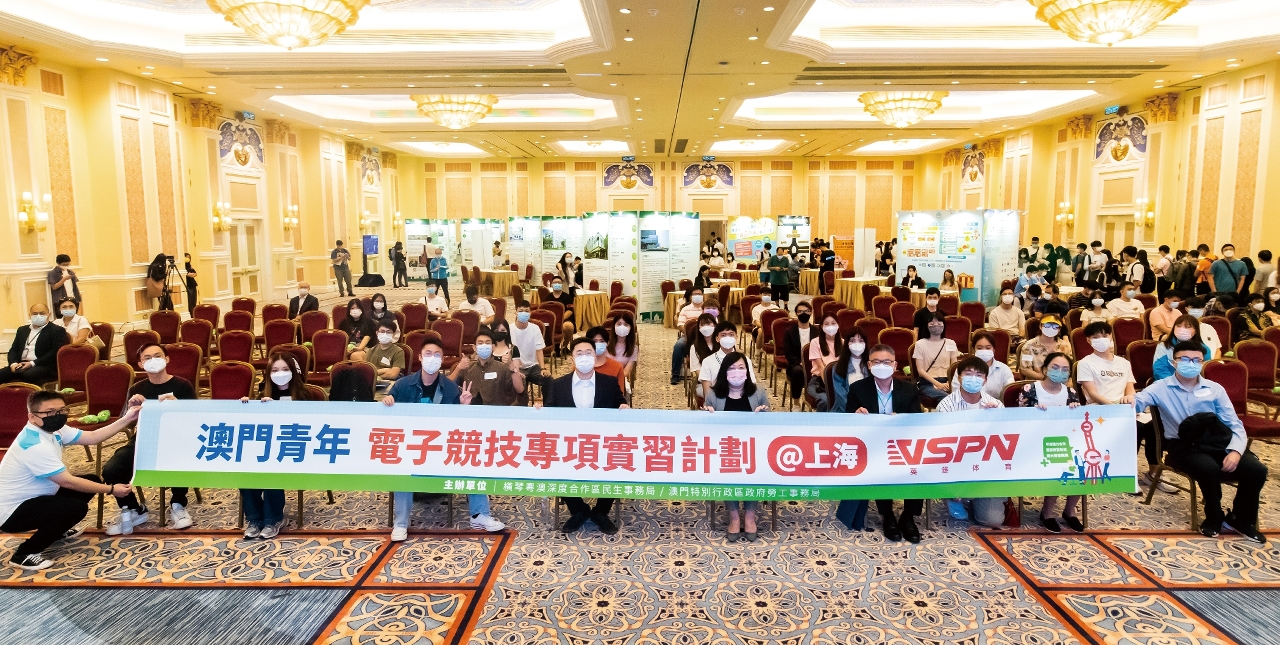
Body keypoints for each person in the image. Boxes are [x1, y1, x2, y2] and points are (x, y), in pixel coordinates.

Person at [1133, 342, 1267, 542]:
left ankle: (1240, 519)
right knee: (1208, 468)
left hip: (1217, 442)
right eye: (1185, 359)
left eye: (1196, 360)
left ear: (1203, 362)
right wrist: (1129, 400)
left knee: (1257, 470)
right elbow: (1138, 401)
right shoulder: (1160, 387)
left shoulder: (1215, 389)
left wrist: (1236, 451)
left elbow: (1234, 424)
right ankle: (1214, 516)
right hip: (1183, 445)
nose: (1191, 363)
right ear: (1174, 362)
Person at [1, 390, 141, 570]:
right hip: (11, 513)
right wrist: (112, 490)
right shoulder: (34, 444)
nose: (57, 416)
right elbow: (67, 482)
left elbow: (93, 437)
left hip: (36, 495)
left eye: (62, 410)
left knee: (91, 480)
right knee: (75, 508)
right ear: (32, 417)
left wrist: (128, 418)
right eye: (50, 412)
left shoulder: (53, 429)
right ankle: (24, 553)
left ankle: (56, 530)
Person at [383, 340, 505, 541]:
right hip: (411, 448)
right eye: (428, 353)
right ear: (420, 357)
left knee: (472, 458)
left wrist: (464, 407)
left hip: (443, 448)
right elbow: (388, 419)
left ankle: (479, 515)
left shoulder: (450, 388)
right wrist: (387, 402)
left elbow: (462, 427)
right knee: (402, 466)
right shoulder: (402, 385)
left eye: (437, 355)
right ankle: (401, 523)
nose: (432, 358)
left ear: (442, 360)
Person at [102, 342, 198, 535]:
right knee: (111, 469)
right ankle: (134, 509)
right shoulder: (137, 389)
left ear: (167, 359)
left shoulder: (182, 385)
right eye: (147, 358)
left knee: (180, 458)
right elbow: (128, 425)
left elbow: (195, 420)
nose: (153, 360)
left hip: (177, 439)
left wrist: (178, 406)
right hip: (144, 439)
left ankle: (178, 504)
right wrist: (131, 410)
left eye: (157, 356)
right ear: (140, 364)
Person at [543, 337, 629, 534]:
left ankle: (601, 512)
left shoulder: (608, 382)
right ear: (572, 358)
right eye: (579, 353)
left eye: (588, 353)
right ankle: (578, 510)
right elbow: (549, 411)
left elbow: (620, 402)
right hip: (569, 443)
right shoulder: (558, 384)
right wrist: (540, 409)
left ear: (596, 356)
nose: (584, 357)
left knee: (616, 459)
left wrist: (623, 406)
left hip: (602, 441)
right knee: (555, 461)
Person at [847, 344, 924, 542]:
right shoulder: (858, 389)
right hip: (872, 445)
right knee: (879, 463)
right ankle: (887, 515)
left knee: (918, 463)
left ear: (895, 365)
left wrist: (903, 420)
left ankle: (908, 516)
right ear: (869, 365)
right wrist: (856, 415)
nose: (882, 366)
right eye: (877, 362)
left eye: (887, 362)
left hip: (903, 444)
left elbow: (918, 421)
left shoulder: (909, 389)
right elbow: (847, 422)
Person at [237, 353, 315, 539]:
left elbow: (311, 425)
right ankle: (255, 519)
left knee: (272, 471)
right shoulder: (262, 396)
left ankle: (273, 519)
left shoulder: (305, 396)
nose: (280, 374)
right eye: (275, 370)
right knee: (245, 471)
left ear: (293, 371)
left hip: (293, 449)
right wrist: (246, 407)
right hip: (266, 450)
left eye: (285, 369)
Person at [1015, 353, 1085, 533]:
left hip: (1064, 440)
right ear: (1045, 369)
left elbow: (1076, 426)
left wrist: (1075, 412)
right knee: (1059, 462)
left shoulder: (1071, 393)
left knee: (1082, 462)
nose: (1059, 372)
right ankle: (1047, 513)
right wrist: (1033, 412)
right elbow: (1019, 421)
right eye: (1055, 367)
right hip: (1034, 442)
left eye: (1064, 369)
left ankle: (1069, 511)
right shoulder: (1029, 389)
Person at [702, 352, 769, 542]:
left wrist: (763, 414)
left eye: (741, 368)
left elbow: (770, 423)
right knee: (727, 469)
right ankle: (733, 516)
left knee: (754, 468)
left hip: (753, 448)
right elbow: (706, 429)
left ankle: (749, 516)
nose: (737, 372)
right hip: (725, 448)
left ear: (747, 371)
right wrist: (707, 414)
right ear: (724, 372)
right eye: (732, 368)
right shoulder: (713, 395)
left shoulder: (758, 392)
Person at [937, 356, 1007, 528]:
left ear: (985, 380)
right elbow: (942, 445)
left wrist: (994, 419)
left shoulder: (996, 405)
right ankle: (953, 495)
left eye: (979, 375)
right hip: (957, 465)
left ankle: (974, 498)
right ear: (959, 377)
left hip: (987, 469)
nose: (973, 378)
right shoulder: (946, 406)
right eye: (968, 373)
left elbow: (1005, 441)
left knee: (992, 521)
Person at [453, 326, 524, 407]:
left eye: (487, 343)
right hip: (472, 410)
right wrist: (458, 368)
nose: (484, 345)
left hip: (496, 411)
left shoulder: (503, 368)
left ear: (493, 347)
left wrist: (512, 366)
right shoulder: (467, 368)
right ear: (474, 348)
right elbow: (446, 386)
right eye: (480, 343)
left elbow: (520, 390)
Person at [0, 304, 68, 385]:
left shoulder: (57, 330)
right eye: (35, 314)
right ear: (30, 315)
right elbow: (13, 349)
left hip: (42, 365)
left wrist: (32, 363)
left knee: (28, 375)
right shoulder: (22, 330)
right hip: (20, 364)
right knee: (2, 374)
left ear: (49, 315)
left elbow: (55, 352)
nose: (38, 316)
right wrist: (13, 364)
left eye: (42, 313)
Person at [1076, 321, 1136, 408]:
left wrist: (1129, 399)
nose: (1101, 340)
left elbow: (1130, 389)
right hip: (1098, 408)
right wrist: (1114, 407)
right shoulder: (1084, 363)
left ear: (1111, 337)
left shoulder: (1124, 363)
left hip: (1122, 406)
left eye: (1104, 336)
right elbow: (1093, 393)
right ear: (1089, 340)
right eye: (1096, 337)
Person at [699, 322, 757, 397]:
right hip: (717, 399)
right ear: (717, 339)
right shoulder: (708, 361)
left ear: (736, 337)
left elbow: (752, 385)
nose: (728, 338)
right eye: (723, 335)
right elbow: (707, 392)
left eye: (731, 334)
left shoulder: (745, 360)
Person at [913, 311, 960, 400]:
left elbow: (954, 367)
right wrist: (938, 384)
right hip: (928, 383)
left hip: (948, 381)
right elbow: (920, 370)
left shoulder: (951, 343)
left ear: (944, 325)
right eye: (932, 323)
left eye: (939, 323)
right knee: (947, 398)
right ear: (927, 325)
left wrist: (949, 383)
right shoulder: (920, 344)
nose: (936, 325)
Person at [953, 331, 1013, 399]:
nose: (984, 351)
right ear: (974, 350)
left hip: (995, 404)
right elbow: (955, 392)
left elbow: (1009, 394)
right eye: (979, 348)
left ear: (993, 350)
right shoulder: (963, 368)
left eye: (988, 348)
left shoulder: (1004, 369)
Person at [1154, 314, 1212, 380]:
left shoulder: (1204, 349)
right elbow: (1160, 371)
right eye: (1178, 326)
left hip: (1195, 384)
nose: (1182, 329)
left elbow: (1205, 372)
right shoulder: (1163, 346)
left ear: (1195, 331)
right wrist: (1177, 384)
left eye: (1187, 327)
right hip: (1167, 383)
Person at [825, 329, 870, 413]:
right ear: (847, 344)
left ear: (865, 344)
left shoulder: (871, 365)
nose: (857, 344)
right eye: (853, 341)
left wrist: (867, 409)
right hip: (846, 410)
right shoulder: (839, 367)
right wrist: (854, 410)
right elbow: (840, 395)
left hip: (868, 410)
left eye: (861, 341)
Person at [510, 301, 547, 401]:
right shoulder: (510, 329)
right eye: (521, 311)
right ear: (516, 312)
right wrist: (515, 369)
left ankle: (548, 406)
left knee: (549, 381)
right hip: (517, 368)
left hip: (533, 366)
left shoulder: (535, 328)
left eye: (526, 311)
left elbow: (539, 350)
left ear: (530, 313)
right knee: (520, 387)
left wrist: (543, 368)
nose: (524, 313)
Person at [1018, 313, 1073, 380]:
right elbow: (1025, 369)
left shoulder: (1064, 346)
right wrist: (1045, 379)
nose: (1051, 328)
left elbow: (1069, 368)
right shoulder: (1028, 346)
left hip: (1060, 381)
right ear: (1040, 326)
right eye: (1047, 325)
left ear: (1059, 329)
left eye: (1055, 326)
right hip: (1036, 381)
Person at [669, 287, 705, 385]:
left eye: (699, 294)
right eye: (695, 294)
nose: (697, 296)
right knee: (678, 346)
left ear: (703, 296)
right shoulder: (685, 309)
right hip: (688, 337)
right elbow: (680, 325)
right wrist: (689, 334)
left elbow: (715, 324)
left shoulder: (707, 309)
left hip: (706, 337)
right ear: (690, 297)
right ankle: (675, 374)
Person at [781, 301, 816, 402]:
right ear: (796, 313)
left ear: (811, 313)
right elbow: (788, 353)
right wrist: (801, 363)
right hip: (795, 364)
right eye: (800, 311)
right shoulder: (789, 332)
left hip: (815, 362)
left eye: (806, 311)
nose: (803, 314)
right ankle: (796, 402)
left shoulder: (817, 331)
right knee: (798, 371)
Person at [583, 326, 628, 393]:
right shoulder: (581, 366)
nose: (598, 344)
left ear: (608, 343)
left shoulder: (617, 367)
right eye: (594, 341)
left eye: (602, 341)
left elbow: (620, 395)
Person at [687, 313, 720, 396]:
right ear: (699, 328)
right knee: (713, 394)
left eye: (708, 323)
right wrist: (712, 384)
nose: (706, 327)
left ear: (715, 325)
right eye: (702, 324)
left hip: (723, 381)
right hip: (703, 383)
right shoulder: (694, 347)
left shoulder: (722, 344)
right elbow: (698, 372)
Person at [367, 319, 405, 385]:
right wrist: (384, 370)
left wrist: (377, 376)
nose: (385, 334)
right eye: (382, 331)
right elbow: (366, 372)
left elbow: (393, 374)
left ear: (393, 334)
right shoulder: (371, 350)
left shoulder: (398, 351)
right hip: (371, 382)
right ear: (377, 333)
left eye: (388, 332)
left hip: (390, 382)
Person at [608, 311, 638, 384]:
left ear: (630, 328)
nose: (622, 327)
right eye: (619, 324)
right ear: (614, 326)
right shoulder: (605, 344)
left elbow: (626, 372)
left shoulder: (633, 348)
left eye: (626, 325)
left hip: (618, 380)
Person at [183, 252, 198, 316]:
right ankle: (190, 313)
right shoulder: (183, 267)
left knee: (193, 300)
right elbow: (188, 274)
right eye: (186, 257)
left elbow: (195, 274)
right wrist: (187, 274)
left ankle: (194, 313)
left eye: (189, 257)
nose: (188, 259)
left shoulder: (190, 266)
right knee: (189, 300)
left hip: (192, 284)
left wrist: (189, 274)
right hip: (187, 285)